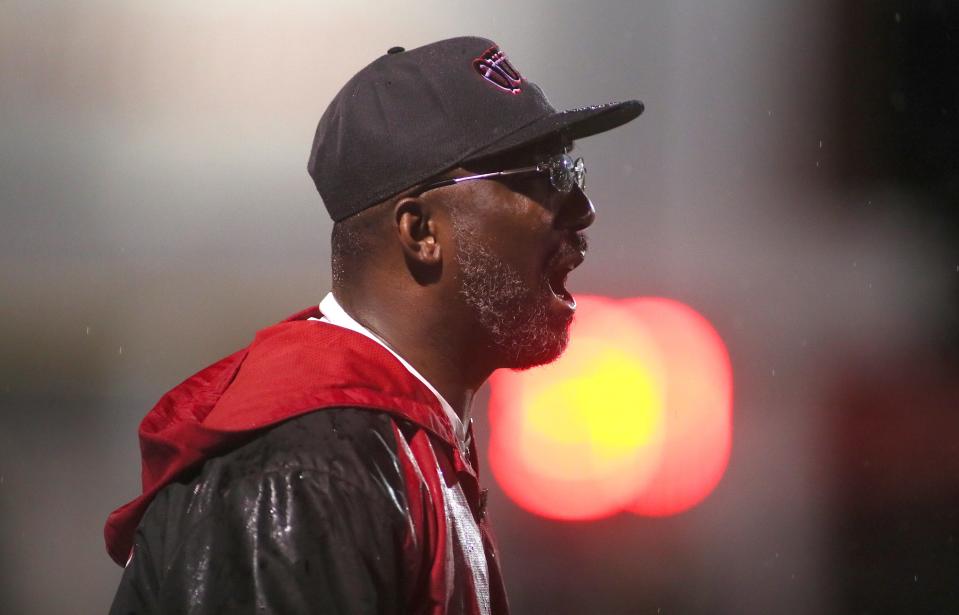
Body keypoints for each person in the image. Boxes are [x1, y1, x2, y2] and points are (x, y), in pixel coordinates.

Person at [105, 35, 643, 614]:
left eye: (572, 168)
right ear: (421, 232)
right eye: (544, 175)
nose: (583, 208)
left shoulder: (386, 444)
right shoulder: (305, 472)